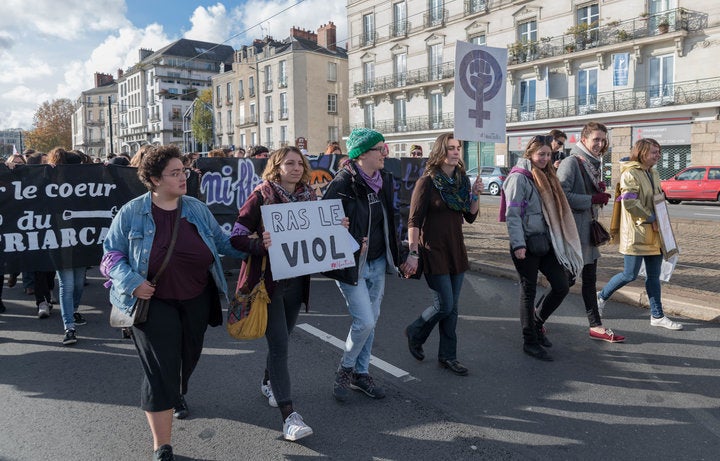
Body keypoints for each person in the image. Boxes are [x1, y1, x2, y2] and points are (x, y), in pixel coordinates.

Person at [102, 145, 244, 461]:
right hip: (153, 304)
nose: (184, 177)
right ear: (153, 179)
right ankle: (162, 446)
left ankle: (177, 391)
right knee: (159, 370)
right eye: (175, 173)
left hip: (196, 299)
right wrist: (132, 282)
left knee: (187, 358)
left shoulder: (195, 208)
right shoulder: (132, 212)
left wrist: (260, 246)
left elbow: (223, 243)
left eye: (185, 171)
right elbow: (110, 256)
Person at [230, 146, 328, 441]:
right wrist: (260, 245)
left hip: (296, 283)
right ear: (276, 166)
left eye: (300, 163)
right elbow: (236, 236)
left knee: (281, 339)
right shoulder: (261, 195)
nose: (296, 168)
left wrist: (335, 227)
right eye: (289, 163)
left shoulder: (311, 197)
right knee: (280, 346)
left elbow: (318, 236)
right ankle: (289, 417)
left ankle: (267, 382)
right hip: (268, 286)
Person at [323, 127, 403, 402]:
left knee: (372, 321)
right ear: (363, 155)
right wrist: (341, 227)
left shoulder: (385, 180)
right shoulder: (343, 182)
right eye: (380, 148)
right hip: (351, 264)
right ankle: (345, 369)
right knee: (364, 321)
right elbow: (324, 221)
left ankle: (361, 372)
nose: (385, 153)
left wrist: (403, 253)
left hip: (378, 261)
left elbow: (391, 220)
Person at [402, 133, 481, 375]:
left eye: (458, 148)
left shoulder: (462, 181)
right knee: (444, 304)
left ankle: (448, 356)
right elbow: (414, 220)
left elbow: (469, 215)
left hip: (456, 249)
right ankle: (415, 331)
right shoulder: (427, 182)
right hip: (432, 249)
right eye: (451, 148)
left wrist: (476, 194)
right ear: (440, 152)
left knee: (453, 307)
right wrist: (413, 253)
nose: (456, 152)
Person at [502, 136, 584, 361]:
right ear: (530, 154)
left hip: (547, 242)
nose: (546, 158)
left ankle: (538, 323)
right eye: (541, 154)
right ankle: (529, 340)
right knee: (528, 291)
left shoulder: (549, 175)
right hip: (526, 244)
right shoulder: (519, 178)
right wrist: (518, 244)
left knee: (561, 285)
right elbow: (513, 215)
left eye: (548, 154)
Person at [597, 138, 683, 330]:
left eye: (659, 152)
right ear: (642, 153)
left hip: (654, 233)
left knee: (653, 276)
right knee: (629, 275)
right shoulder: (630, 173)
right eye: (654, 152)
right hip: (636, 233)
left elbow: (658, 198)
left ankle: (657, 315)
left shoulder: (654, 172)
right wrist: (652, 217)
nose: (658, 156)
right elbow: (630, 203)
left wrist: (661, 218)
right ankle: (600, 297)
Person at [557, 122, 626, 343]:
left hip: (588, 231)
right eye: (596, 139)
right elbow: (562, 196)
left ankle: (596, 326)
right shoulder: (571, 162)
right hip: (574, 233)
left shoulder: (591, 163)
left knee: (589, 280)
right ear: (584, 139)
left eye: (603, 140)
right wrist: (591, 198)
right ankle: (536, 317)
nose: (600, 144)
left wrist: (598, 194)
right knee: (564, 282)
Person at [47, 148, 88, 345]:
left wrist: (108, 170)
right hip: (60, 240)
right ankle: (69, 326)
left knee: (78, 283)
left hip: (81, 240)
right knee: (67, 284)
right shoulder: (51, 181)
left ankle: (74, 310)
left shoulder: (86, 183)